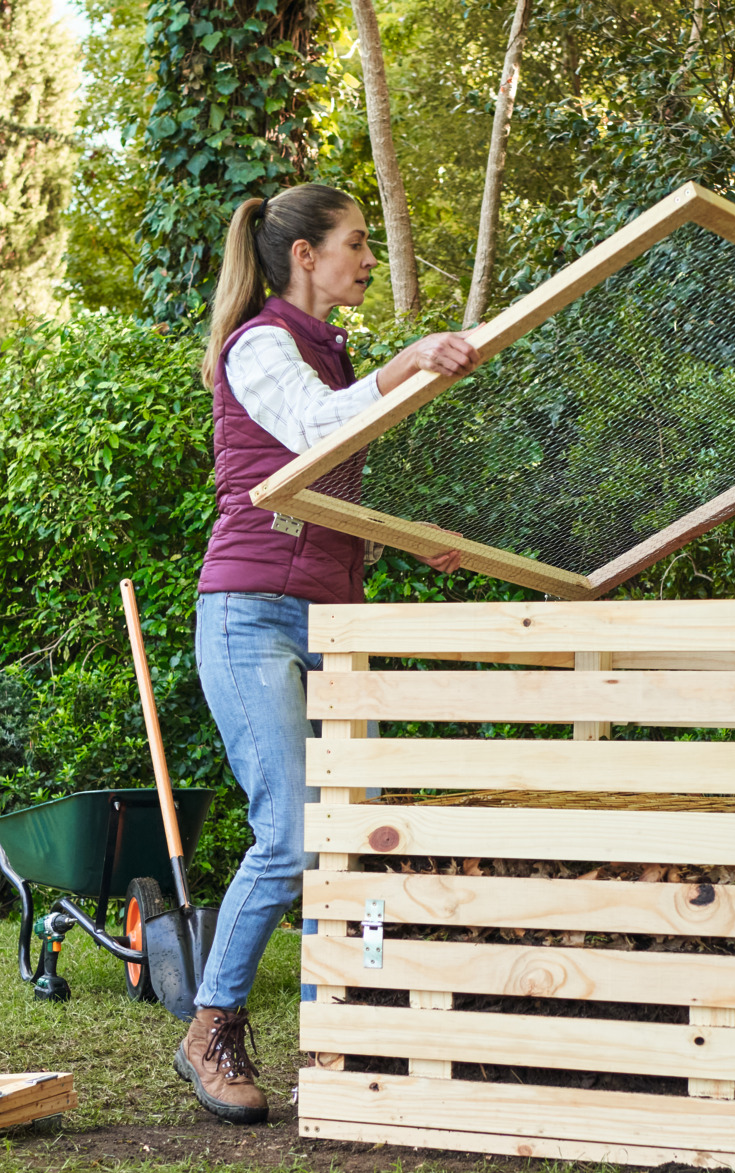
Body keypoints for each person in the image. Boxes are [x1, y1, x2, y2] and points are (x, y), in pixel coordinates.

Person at [177, 183, 480, 1124]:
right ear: (303, 255)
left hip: (333, 619)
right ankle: (210, 1026)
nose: (366, 257)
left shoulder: (328, 352)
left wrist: (398, 532)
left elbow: (313, 490)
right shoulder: (263, 344)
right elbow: (313, 432)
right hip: (250, 614)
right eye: (355, 243)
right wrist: (407, 364)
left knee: (366, 829)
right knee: (294, 831)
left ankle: (351, 1033)